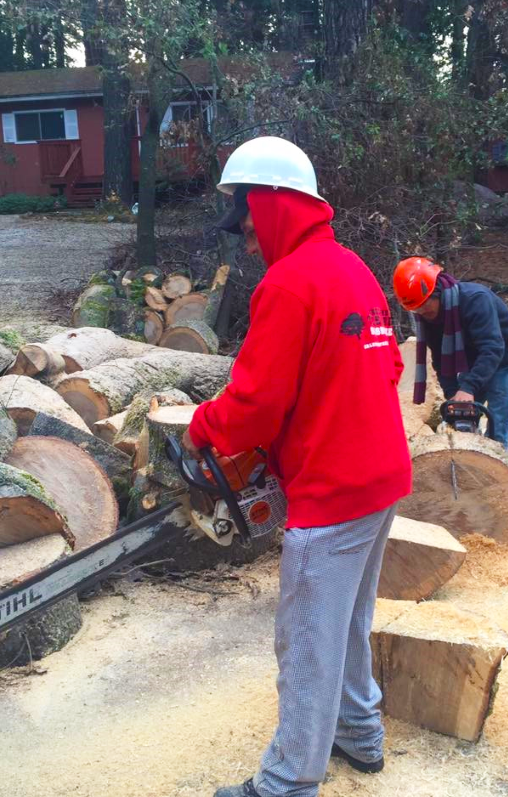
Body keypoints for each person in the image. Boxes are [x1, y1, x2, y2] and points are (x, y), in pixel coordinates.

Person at [180, 136, 412, 797]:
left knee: (307, 637)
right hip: (381, 478)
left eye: (248, 224)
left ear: (275, 206)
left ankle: (287, 781)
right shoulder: (353, 269)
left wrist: (203, 426)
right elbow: (388, 363)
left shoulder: (288, 283)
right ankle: (359, 734)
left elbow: (253, 405)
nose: (247, 242)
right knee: (345, 620)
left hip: (332, 489)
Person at [392, 256, 508, 448]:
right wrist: (452, 394)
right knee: (464, 418)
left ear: (435, 292)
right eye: (416, 309)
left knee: (497, 419)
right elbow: (440, 359)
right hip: (475, 359)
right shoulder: (430, 317)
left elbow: (493, 348)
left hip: (506, 358)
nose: (422, 313)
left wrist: (468, 388)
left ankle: (499, 464)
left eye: (424, 307)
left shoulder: (475, 300)